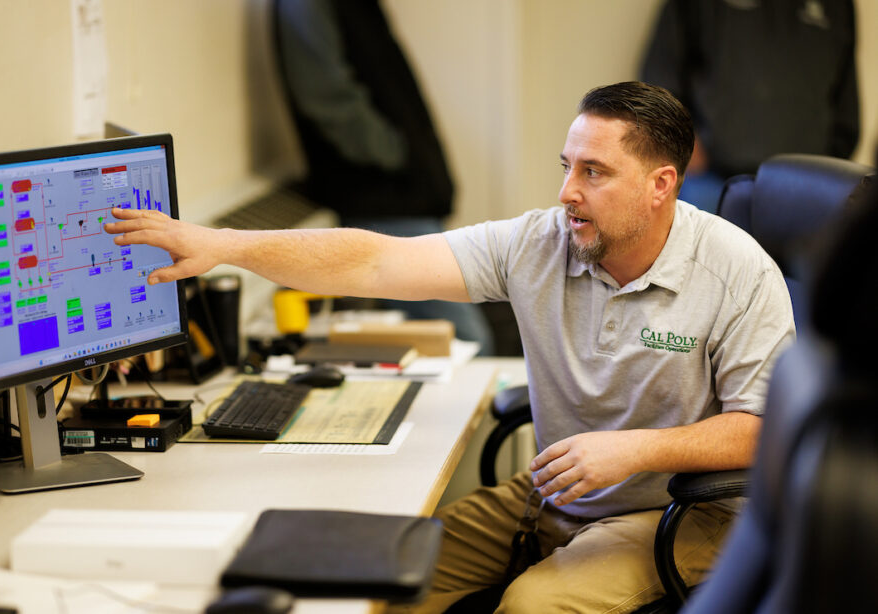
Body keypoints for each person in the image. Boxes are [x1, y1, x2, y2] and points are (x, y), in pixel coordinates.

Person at [105, 81, 796, 611]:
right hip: (556, 495)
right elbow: (374, 262)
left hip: (682, 511)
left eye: (593, 172)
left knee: (531, 605)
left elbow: (764, 431)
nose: (566, 193)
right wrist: (222, 246)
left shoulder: (734, 271)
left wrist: (634, 448)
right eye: (566, 167)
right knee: (377, 581)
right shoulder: (542, 242)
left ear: (660, 186)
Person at [272, 0, 494, 354]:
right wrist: (394, 154)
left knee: (449, 344)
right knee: (469, 343)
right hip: (382, 200)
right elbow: (325, 95)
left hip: (403, 197)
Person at [641, 0, 859, 213]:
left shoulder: (838, 6)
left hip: (805, 190)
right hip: (712, 180)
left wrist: (833, 171)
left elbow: (846, 102)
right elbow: (661, 75)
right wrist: (681, 144)